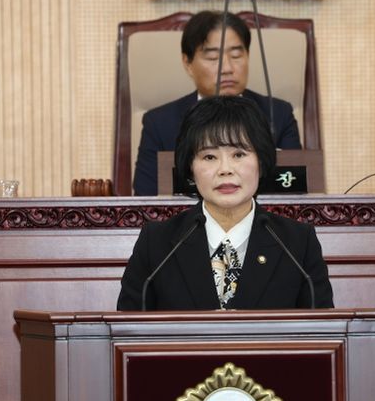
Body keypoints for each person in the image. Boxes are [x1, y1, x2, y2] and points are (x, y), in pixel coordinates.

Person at [117, 95, 332, 311]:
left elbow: (324, 328)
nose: (225, 169)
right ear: (190, 167)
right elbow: (126, 328)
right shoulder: (156, 244)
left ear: (261, 161)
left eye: (238, 154)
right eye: (209, 157)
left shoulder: (298, 244)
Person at [132, 10, 302, 196]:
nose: (227, 68)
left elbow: (296, 189)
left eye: (236, 55)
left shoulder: (279, 114)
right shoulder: (159, 123)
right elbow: (146, 199)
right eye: (213, 58)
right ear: (187, 63)